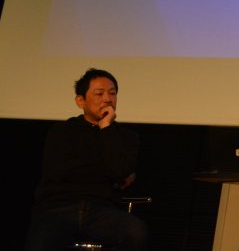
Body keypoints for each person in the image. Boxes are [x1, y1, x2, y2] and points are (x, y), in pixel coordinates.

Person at [26, 68, 148, 251]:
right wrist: (110, 175)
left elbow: (119, 170)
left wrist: (106, 128)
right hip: (59, 208)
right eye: (99, 93)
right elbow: (60, 172)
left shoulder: (126, 137)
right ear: (80, 100)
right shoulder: (62, 131)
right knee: (40, 240)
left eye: (112, 93)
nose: (107, 99)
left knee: (136, 232)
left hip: (102, 210)